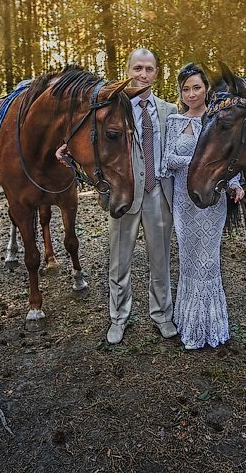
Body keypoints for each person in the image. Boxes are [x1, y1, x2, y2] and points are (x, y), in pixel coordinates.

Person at [160, 63, 244, 350]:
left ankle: (211, 325)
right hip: (183, 201)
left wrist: (235, 183)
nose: (191, 93)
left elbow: (228, 157)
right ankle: (188, 322)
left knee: (208, 261)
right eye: (186, 89)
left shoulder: (217, 119)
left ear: (206, 88)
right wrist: (195, 163)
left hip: (212, 200)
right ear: (180, 92)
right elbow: (166, 161)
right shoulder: (173, 121)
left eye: (197, 87)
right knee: (188, 260)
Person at [105, 49, 178, 344]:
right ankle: (118, 318)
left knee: (160, 261)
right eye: (137, 68)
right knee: (119, 262)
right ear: (128, 70)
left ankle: (162, 315)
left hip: (159, 195)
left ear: (156, 73)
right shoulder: (113, 110)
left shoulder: (169, 110)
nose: (142, 74)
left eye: (149, 69)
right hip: (125, 195)